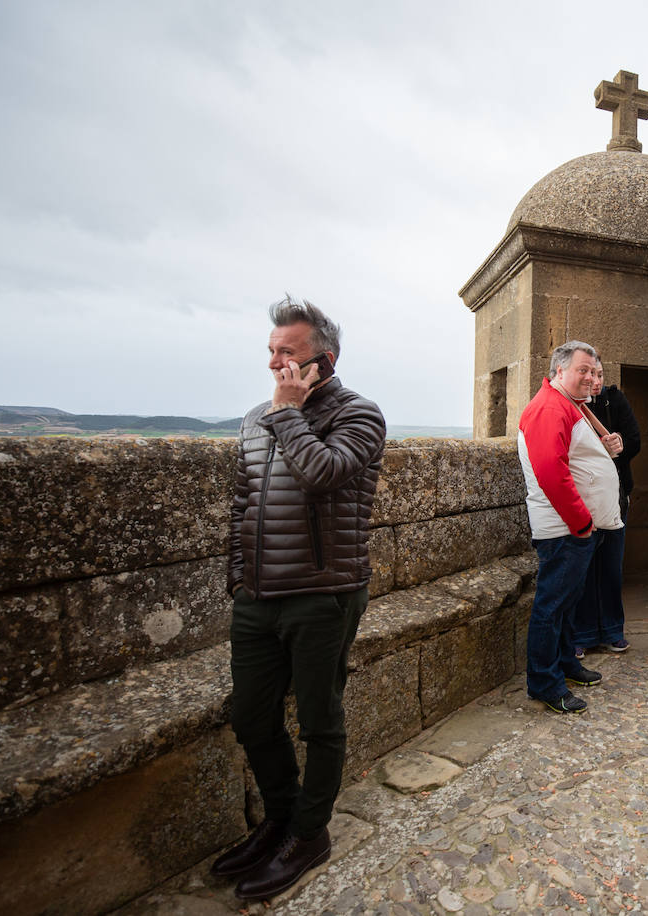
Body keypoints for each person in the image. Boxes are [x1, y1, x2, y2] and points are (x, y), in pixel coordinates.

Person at [212, 296, 386, 899]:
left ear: (323, 361)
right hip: (258, 597)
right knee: (252, 717)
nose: (273, 364)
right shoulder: (256, 415)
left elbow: (324, 474)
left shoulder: (361, 415)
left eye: (286, 353)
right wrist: (239, 576)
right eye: (270, 351)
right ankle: (282, 821)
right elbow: (243, 504)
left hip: (324, 593)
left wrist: (286, 414)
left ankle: (311, 834)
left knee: (319, 719)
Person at [516, 341, 624, 714]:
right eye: (584, 370)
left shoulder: (568, 405)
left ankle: (565, 665)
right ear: (559, 370)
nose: (592, 378)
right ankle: (545, 683)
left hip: (574, 528)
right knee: (551, 606)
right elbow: (551, 472)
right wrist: (581, 523)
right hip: (564, 529)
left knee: (564, 605)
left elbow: (578, 458)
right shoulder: (549, 408)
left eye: (595, 372)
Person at [573, 360, 640, 655]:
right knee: (584, 569)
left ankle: (613, 631)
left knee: (612, 566)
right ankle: (583, 635)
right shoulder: (573, 405)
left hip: (614, 495)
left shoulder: (615, 398)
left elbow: (635, 440)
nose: (596, 380)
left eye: (599, 374)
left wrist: (620, 444)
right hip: (583, 497)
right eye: (590, 374)